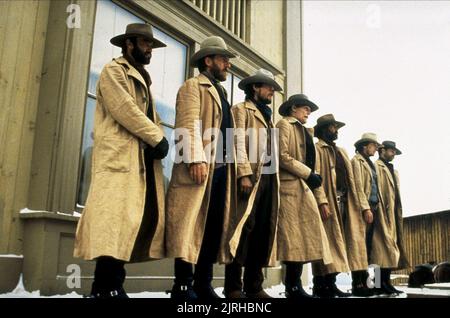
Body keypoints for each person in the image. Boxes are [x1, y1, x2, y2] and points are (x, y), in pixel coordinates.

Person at [74, 23, 169, 298]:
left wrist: (158, 138)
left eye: (151, 45)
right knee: (113, 224)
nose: (149, 48)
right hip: (118, 160)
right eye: (145, 43)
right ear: (128, 44)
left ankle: (109, 287)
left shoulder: (143, 77)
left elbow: (154, 119)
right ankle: (107, 288)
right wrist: (156, 138)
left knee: (126, 224)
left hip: (137, 161)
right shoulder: (114, 71)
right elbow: (124, 108)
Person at [165, 36, 238, 300]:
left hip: (220, 172)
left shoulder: (221, 92)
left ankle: (203, 284)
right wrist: (195, 159)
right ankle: (182, 286)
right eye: (223, 60)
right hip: (199, 168)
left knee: (211, 228)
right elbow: (186, 124)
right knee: (188, 225)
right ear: (208, 61)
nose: (228, 65)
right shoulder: (193, 87)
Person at [224, 69, 282, 299]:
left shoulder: (268, 117)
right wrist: (244, 173)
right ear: (255, 88)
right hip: (251, 177)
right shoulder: (241, 110)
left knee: (261, 229)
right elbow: (236, 141)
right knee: (242, 229)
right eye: (268, 87)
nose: (272, 92)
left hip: (268, 178)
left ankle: (254, 286)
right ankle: (233, 287)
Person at [276, 94, 333, 299]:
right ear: (293, 109)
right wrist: (308, 174)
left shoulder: (307, 133)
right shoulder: (284, 125)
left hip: (305, 190)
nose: (308, 111)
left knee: (305, 240)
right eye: (305, 108)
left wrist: (322, 200)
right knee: (293, 240)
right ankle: (292, 287)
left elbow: (314, 170)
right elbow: (282, 156)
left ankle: (296, 286)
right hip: (290, 189)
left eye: (309, 109)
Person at [311, 114, 355, 297]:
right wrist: (322, 201)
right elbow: (316, 177)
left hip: (343, 201)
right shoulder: (317, 149)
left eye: (336, 127)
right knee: (325, 245)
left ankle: (331, 283)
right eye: (333, 127)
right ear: (324, 129)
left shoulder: (340, 151)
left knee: (339, 243)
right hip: (328, 200)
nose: (336, 130)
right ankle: (320, 286)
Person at [352, 132, 397, 295]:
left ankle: (379, 283)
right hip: (368, 209)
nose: (376, 148)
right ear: (365, 146)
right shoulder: (364, 162)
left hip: (380, 210)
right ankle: (365, 284)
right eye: (373, 145)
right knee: (367, 249)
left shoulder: (373, 164)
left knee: (376, 249)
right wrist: (366, 208)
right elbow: (359, 186)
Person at [375, 140, 409, 294]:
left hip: (393, 213)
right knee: (378, 252)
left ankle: (386, 282)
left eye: (394, 151)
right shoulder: (376, 166)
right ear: (382, 151)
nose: (393, 153)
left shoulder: (393, 171)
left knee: (390, 250)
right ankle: (378, 284)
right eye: (391, 151)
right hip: (381, 212)